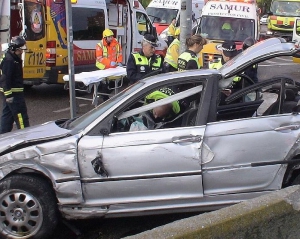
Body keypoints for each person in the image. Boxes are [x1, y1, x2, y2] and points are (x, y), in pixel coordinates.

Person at [0, 36, 29, 134]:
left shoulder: (13, 58)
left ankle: (2, 138)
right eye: (20, 50)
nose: (21, 52)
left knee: (7, 117)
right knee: (21, 117)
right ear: (14, 49)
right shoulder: (10, 61)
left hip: (12, 94)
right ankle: (25, 136)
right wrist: (9, 95)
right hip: (14, 95)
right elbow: (5, 79)